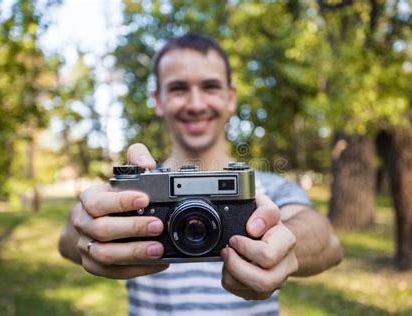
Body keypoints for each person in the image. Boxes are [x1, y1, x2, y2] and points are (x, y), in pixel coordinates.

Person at [58, 33, 343, 316]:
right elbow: (70, 237)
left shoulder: (259, 187)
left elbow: (327, 241)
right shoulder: (138, 194)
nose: (196, 104)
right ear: (158, 100)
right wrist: (91, 228)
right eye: (179, 88)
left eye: (210, 87)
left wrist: (279, 241)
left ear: (230, 98)